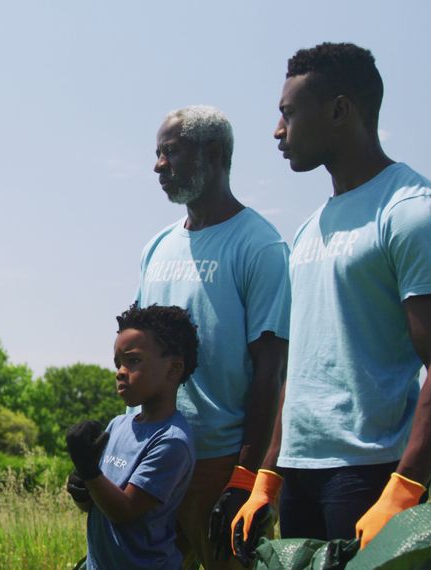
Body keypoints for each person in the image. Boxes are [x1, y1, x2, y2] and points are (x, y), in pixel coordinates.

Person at [231, 42, 431, 562]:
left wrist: (404, 488)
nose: (278, 132)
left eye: (288, 114)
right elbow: (300, 372)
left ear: (340, 110)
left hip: (371, 477)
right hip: (299, 475)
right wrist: (268, 477)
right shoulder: (309, 228)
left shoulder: (411, 213)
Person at [135, 105, 290, 569]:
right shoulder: (158, 247)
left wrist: (246, 476)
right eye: (157, 154)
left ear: (215, 153)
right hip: (156, 457)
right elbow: (138, 357)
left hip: (220, 465)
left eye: (171, 153)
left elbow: (272, 372)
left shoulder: (259, 245)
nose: (159, 166)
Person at [65, 302, 198, 569]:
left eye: (133, 360)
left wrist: (90, 471)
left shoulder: (171, 440)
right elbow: (97, 506)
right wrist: (82, 489)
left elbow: (125, 511)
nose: (120, 371)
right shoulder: (118, 425)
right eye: (118, 363)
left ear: (173, 369)